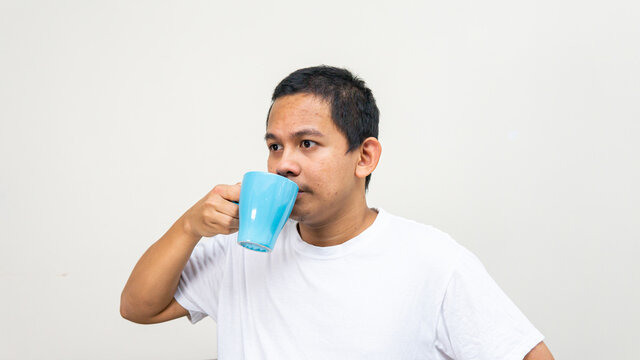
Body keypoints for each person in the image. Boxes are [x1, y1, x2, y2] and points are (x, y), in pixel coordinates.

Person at [120, 65, 554, 359]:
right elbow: (139, 307)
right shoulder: (242, 250)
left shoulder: (432, 260)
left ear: (364, 157)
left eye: (307, 143)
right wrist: (188, 227)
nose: (283, 163)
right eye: (275, 146)